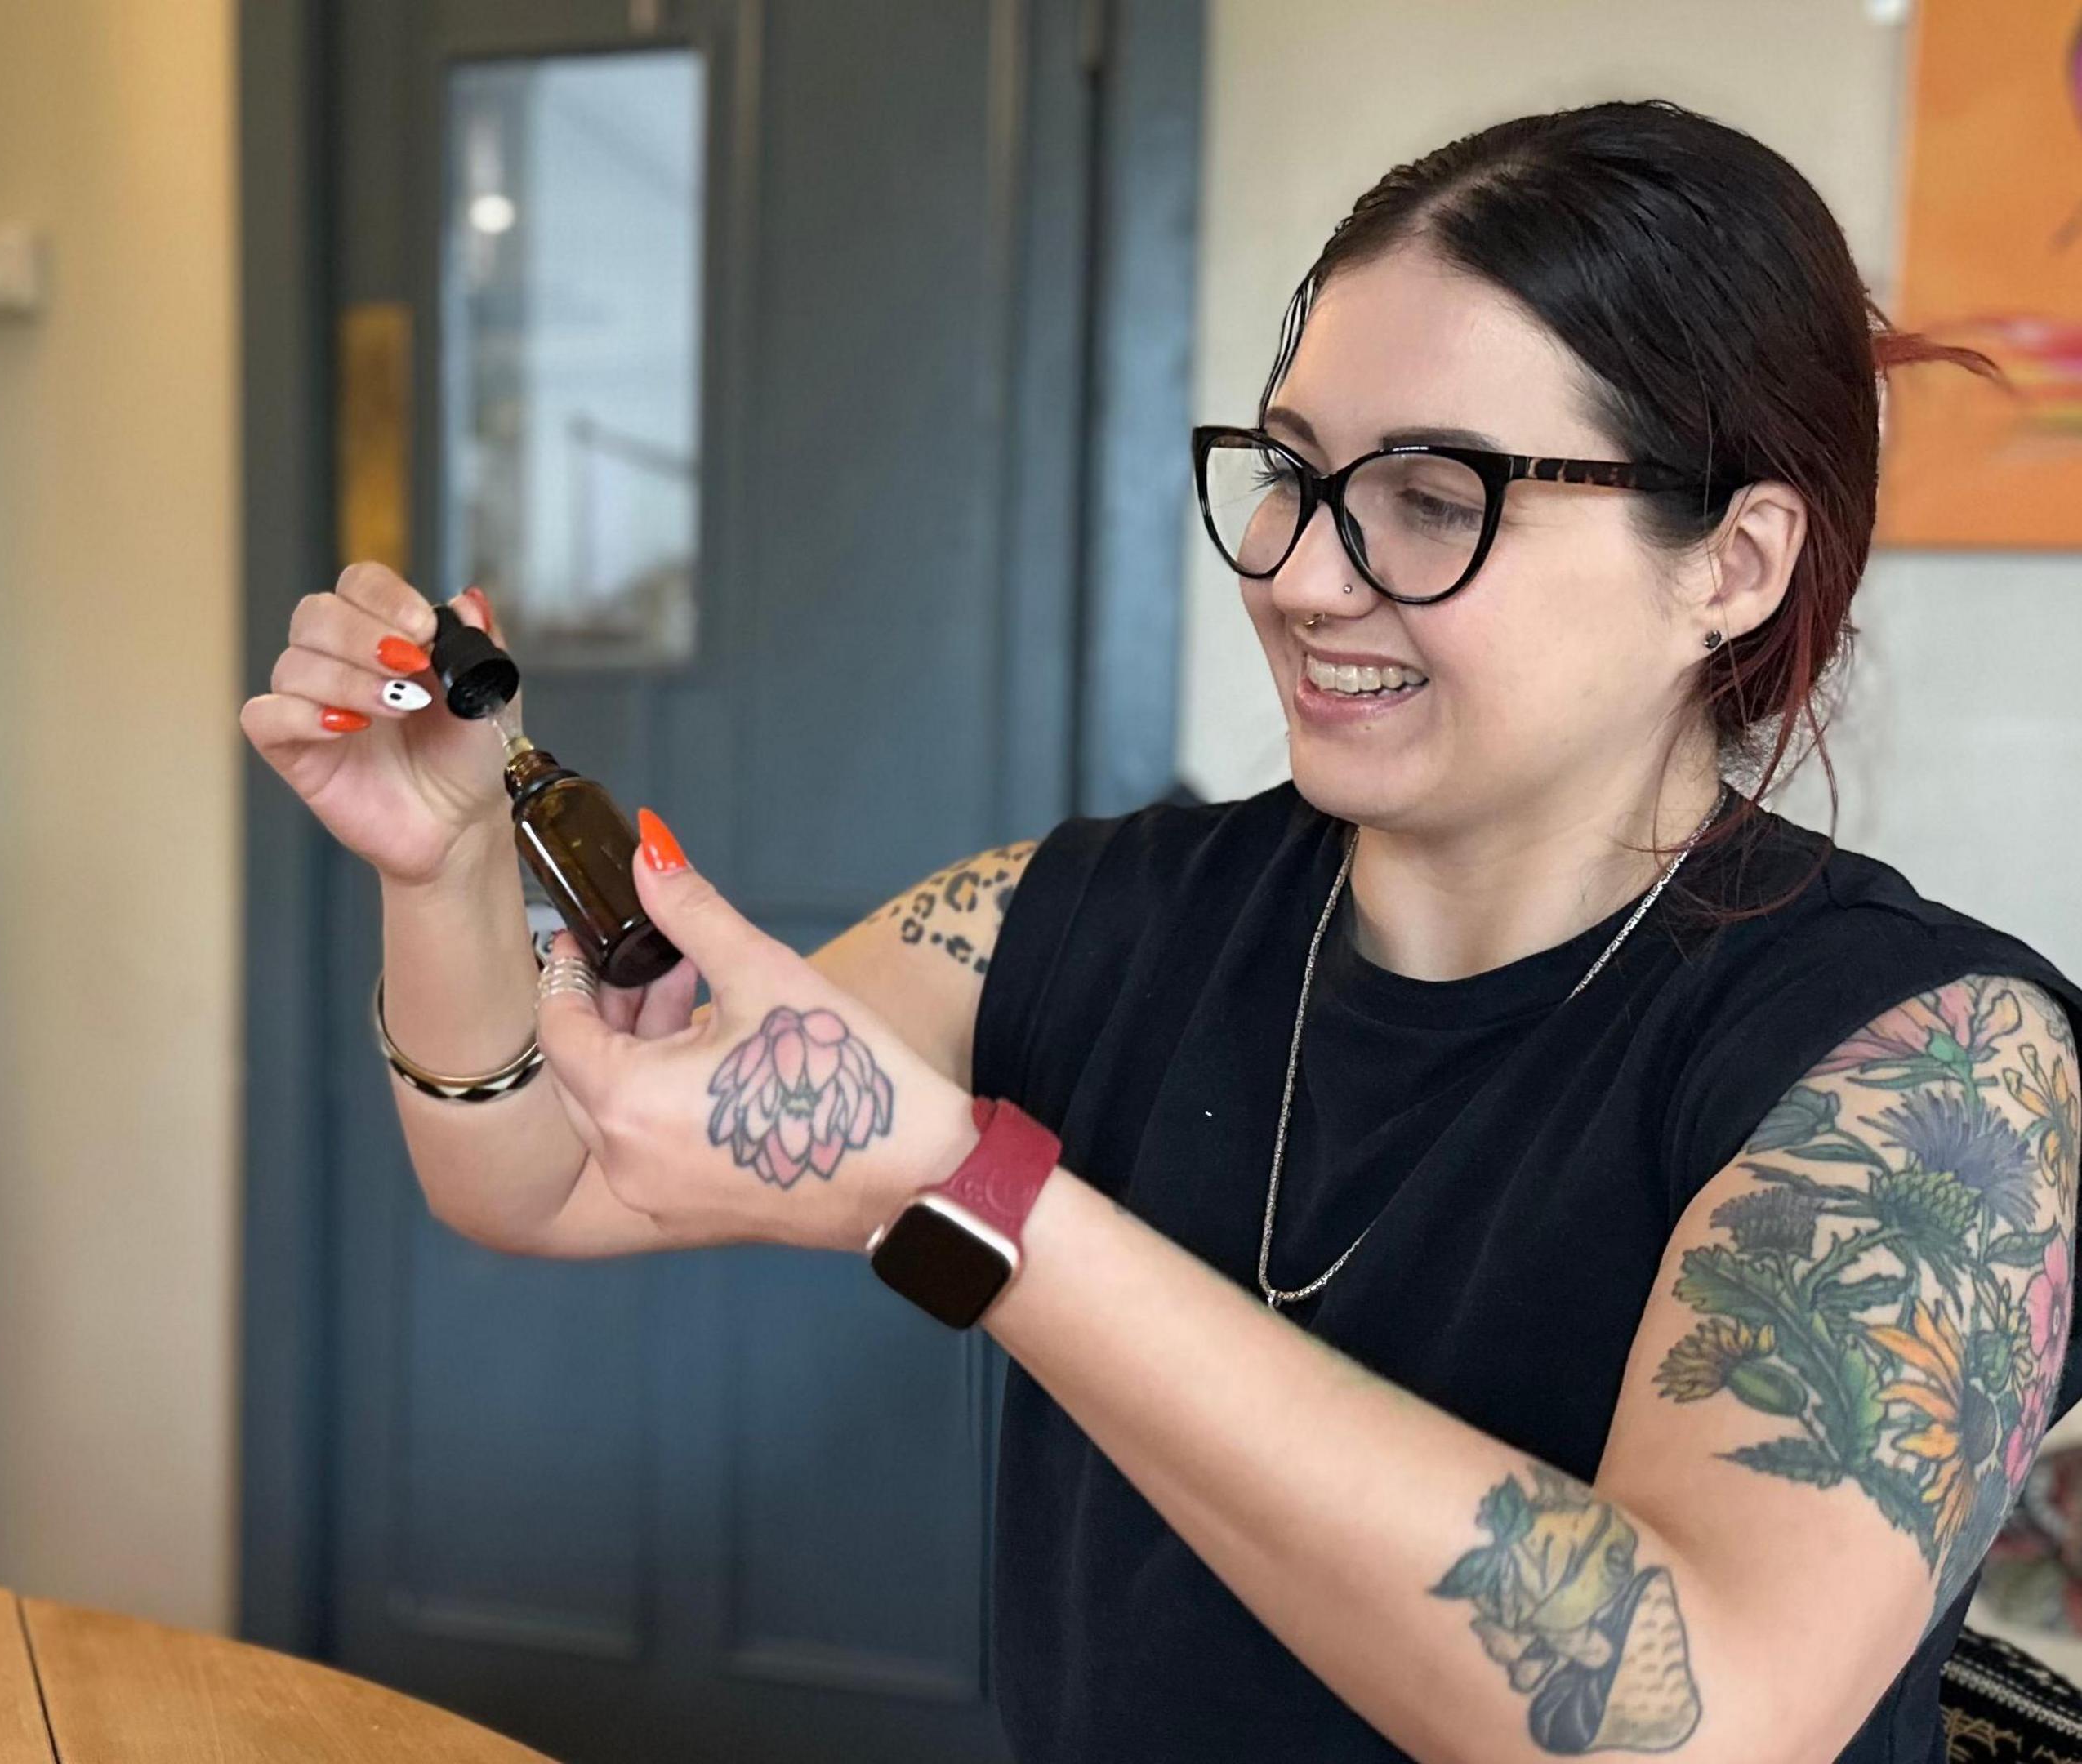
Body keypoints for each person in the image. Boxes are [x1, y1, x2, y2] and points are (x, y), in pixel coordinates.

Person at [244, 102, 2082, 1761]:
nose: (1292, 571)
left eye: (1433, 502)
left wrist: (970, 1199)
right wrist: (449, 866)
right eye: (1286, 472)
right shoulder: (1100, 918)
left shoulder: (1934, 1072)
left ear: (1735, 565)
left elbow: (1702, 1728)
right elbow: (547, 1178)